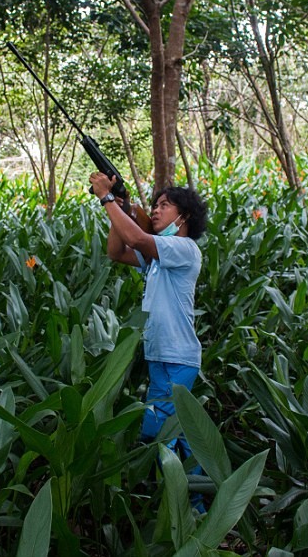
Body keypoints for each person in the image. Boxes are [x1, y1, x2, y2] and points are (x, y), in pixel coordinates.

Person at [89, 172, 208, 501]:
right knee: (181, 433)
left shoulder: (183, 249)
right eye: (154, 206)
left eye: (164, 206)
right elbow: (117, 251)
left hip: (178, 358)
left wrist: (107, 199)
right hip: (160, 357)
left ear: (184, 217)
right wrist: (124, 210)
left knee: (156, 430)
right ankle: (197, 503)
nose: (155, 211)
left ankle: (176, 503)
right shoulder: (158, 257)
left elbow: (138, 240)